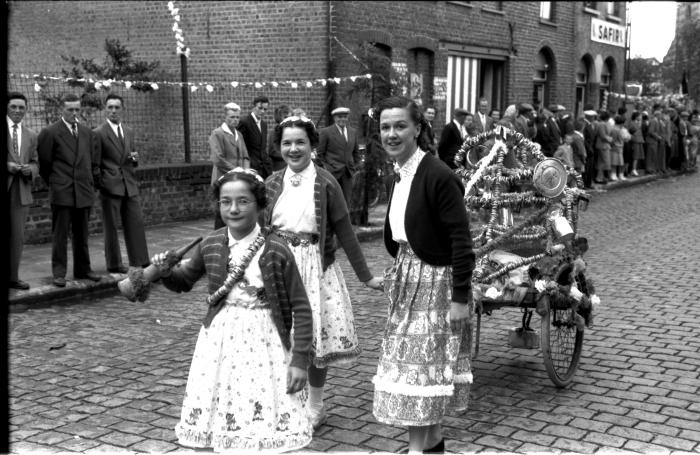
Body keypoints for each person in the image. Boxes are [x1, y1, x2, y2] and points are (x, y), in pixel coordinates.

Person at [152, 168, 314, 452]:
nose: (233, 208)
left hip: (265, 342)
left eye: (243, 201)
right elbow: (184, 281)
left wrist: (300, 360)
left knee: (261, 410)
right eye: (225, 201)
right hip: (220, 340)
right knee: (223, 402)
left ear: (260, 204)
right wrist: (165, 271)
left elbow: (301, 306)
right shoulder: (211, 243)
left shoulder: (276, 249)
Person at [263, 115, 383, 430]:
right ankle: (287, 402)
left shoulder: (326, 182)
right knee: (280, 338)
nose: (293, 148)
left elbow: (345, 231)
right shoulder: (272, 183)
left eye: (300, 142)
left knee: (314, 340)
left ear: (313, 145)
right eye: (287, 143)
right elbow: (258, 231)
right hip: (279, 268)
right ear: (280, 147)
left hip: (315, 269)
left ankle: (315, 406)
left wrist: (366, 276)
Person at [371, 96, 475, 454]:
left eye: (400, 125)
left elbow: (462, 242)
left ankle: (418, 451)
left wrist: (460, 299)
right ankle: (432, 446)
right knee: (417, 372)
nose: (392, 133)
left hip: (437, 284)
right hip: (409, 280)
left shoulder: (438, 175)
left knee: (420, 370)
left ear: (418, 128)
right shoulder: (400, 174)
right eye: (385, 127)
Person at [38, 93, 102, 287]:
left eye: (77, 109)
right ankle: (59, 272)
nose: (74, 113)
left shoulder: (86, 132)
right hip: (62, 189)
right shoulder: (50, 132)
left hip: (83, 189)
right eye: (70, 109)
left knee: (82, 233)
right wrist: (57, 183)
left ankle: (83, 269)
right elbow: (45, 165)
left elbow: (91, 162)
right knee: (60, 234)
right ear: (61, 110)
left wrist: (90, 183)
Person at [93, 94, 150, 273]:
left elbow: (131, 155)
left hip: (129, 183)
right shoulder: (98, 133)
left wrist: (134, 159)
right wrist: (102, 183)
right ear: (105, 109)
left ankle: (140, 260)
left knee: (136, 222)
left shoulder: (128, 130)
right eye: (110, 107)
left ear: (122, 109)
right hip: (110, 185)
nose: (113, 111)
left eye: (117, 107)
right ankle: (114, 264)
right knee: (111, 227)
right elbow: (95, 163)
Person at [7, 92, 39, 290]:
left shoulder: (31, 135)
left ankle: (12, 277)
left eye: (21, 107)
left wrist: (31, 171)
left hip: (20, 191)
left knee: (17, 237)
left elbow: (37, 162)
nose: (18, 110)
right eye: (14, 106)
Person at [210, 102, 250, 229]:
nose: (235, 120)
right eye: (232, 117)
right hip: (222, 178)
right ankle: (218, 238)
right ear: (225, 117)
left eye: (237, 117)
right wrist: (236, 170)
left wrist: (246, 171)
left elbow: (245, 156)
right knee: (222, 211)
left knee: (235, 209)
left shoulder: (239, 135)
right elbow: (218, 159)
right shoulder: (218, 133)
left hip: (238, 178)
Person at [316, 107, 360, 208]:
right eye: (339, 117)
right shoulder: (326, 132)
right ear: (335, 118)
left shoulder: (352, 132)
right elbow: (320, 154)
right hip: (332, 173)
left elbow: (356, 152)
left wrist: (356, 166)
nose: (342, 119)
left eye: (344, 117)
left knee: (346, 202)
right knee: (332, 202)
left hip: (348, 173)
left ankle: (345, 223)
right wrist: (327, 169)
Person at [238, 96, 272, 179]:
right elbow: (241, 147)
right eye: (260, 108)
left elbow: (262, 148)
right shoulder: (244, 122)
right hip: (251, 168)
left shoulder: (264, 124)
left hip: (265, 169)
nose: (262, 111)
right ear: (253, 107)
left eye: (265, 109)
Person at [268, 104, 292, 172]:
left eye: (290, 117)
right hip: (279, 167)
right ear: (279, 118)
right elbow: (272, 151)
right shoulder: (274, 132)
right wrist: (288, 155)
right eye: (285, 117)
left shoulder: (292, 132)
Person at [594, 111, 613, 184]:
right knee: (604, 162)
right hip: (602, 145)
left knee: (601, 162)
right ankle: (599, 178)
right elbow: (602, 135)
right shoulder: (602, 124)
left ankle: (599, 177)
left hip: (604, 145)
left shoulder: (605, 124)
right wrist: (610, 139)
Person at [627, 111, 645, 176]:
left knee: (637, 156)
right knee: (635, 156)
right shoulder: (632, 123)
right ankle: (632, 169)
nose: (640, 117)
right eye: (639, 116)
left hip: (640, 140)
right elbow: (631, 131)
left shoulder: (639, 123)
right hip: (635, 141)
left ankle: (634, 168)